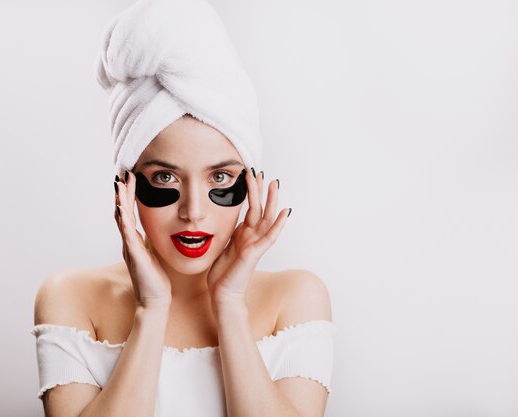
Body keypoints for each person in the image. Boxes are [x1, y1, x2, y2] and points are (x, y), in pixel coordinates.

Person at [31, 1, 336, 417]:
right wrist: (150, 310)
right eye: (165, 179)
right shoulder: (70, 298)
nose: (194, 212)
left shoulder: (296, 298)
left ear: (250, 181)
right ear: (126, 184)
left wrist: (229, 303)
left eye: (220, 179)